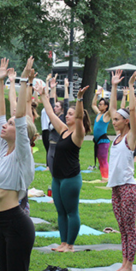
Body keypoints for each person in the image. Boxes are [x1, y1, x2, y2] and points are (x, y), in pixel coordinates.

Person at [0, 57, 37, 271]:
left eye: (9, 124)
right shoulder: (3, 149)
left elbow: (19, 118)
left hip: (17, 224)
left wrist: (21, 83)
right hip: (0, 222)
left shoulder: (22, 154)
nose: (4, 125)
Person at [35, 78, 91, 253]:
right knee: (60, 211)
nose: (67, 115)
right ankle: (63, 243)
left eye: (70, 114)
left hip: (70, 178)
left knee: (71, 211)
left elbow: (81, 117)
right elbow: (51, 114)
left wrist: (80, 99)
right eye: (67, 113)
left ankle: (70, 245)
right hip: (57, 178)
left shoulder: (78, 135)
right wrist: (43, 95)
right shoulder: (64, 131)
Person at [107, 70, 136, 271]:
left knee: (129, 227)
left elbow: (133, 114)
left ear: (126, 121)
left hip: (128, 187)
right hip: (116, 187)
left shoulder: (130, 138)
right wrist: (113, 86)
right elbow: (111, 109)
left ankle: (129, 266)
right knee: (121, 227)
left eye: (118, 119)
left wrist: (130, 87)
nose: (114, 121)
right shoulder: (116, 138)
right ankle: (123, 263)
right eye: (114, 119)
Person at [47, 76, 69, 175]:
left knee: (59, 170)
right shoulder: (53, 117)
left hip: (58, 145)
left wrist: (66, 87)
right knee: (52, 170)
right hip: (51, 146)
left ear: (62, 109)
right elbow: (50, 103)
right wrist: (52, 88)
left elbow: (66, 104)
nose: (55, 108)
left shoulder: (63, 118)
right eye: (55, 106)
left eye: (57, 106)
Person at [92, 87, 110, 181]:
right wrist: (96, 94)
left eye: (102, 104)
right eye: (99, 104)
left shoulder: (106, 115)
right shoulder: (98, 113)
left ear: (106, 106)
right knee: (100, 160)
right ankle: (104, 177)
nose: (99, 106)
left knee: (103, 160)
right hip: (98, 141)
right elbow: (93, 104)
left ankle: (106, 177)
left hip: (103, 141)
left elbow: (113, 108)